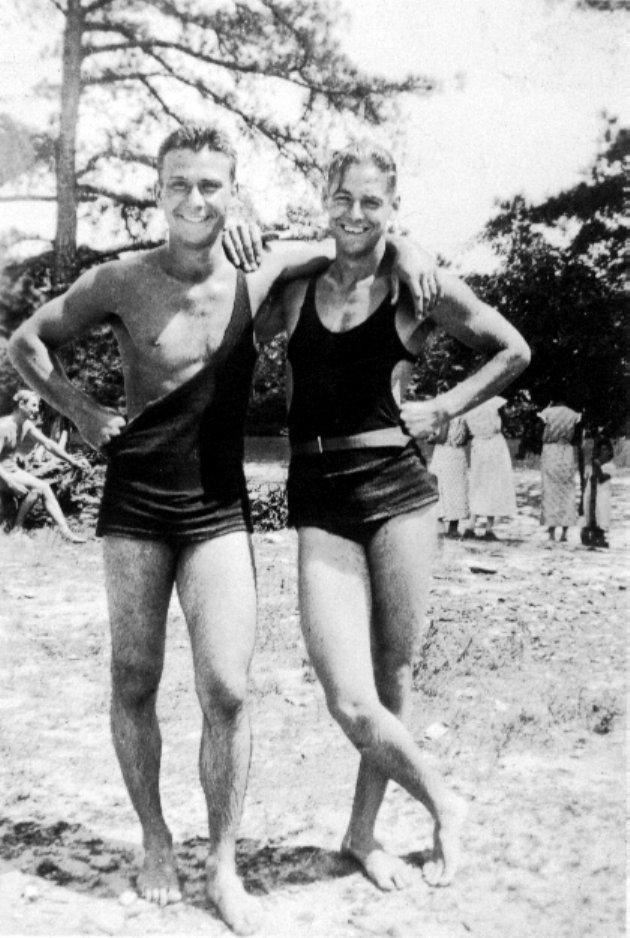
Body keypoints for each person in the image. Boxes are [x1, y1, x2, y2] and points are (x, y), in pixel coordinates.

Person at [8, 123, 440, 935]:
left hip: (217, 507)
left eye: (212, 184)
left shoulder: (264, 263)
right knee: (133, 677)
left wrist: (411, 248)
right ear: (157, 190)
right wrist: (82, 410)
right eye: (179, 183)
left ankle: (224, 863)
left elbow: (358, 236)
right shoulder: (118, 280)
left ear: (232, 192)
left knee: (230, 690)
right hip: (135, 505)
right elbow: (26, 341)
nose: (195, 199)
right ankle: (154, 840)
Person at [247, 141, 530, 890]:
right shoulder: (297, 285)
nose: (356, 214)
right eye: (343, 198)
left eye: (373, 203)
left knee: (391, 672)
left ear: (392, 206)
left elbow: (512, 351)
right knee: (348, 697)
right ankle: (446, 802)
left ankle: (363, 832)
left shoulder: (420, 289)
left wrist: (445, 405)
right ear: (324, 199)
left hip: (399, 490)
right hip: (318, 492)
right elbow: (240, 301)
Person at [0, 389, 87, 541]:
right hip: (3, 473)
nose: (37, 410)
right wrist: (10, 481)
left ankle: (66, 533)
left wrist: (72, 461)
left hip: (11, 470)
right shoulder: (4, 427)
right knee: (40, 487)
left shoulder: (26, 425)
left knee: (43, 487)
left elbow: (48, 444)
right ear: (21, 404)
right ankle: (17, 530)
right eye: (33, 405)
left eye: (38, 405)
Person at [463, 395, 517, 539]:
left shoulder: (470, 405)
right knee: (493, 483)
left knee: (478, 483)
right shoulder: (494, 402)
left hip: (479, 445)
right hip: (494, 445)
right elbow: (503, 424)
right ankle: (489, 527)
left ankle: (471, 523)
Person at [537, 399, 582, 542]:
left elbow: (541, 434)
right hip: (567, 451)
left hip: (550, 451)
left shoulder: (547, 413)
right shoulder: (574, 414)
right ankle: (564, 532)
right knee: (567, 492)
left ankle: (551, 531)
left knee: (550, 491)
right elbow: (576, 438)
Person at [429, 415, 472, 538]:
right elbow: (465, 438)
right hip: (458, 454)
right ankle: (453, 528)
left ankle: (440, 527)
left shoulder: (445, 415)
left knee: (441, 487)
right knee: (457, 491)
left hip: (444, 453)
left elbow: (442, 438)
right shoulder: (464, 415)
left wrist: (431, 439)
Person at [580, 434, 615, 548]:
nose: (604, 452)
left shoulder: (610, 466)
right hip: (590, 495)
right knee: (588, 517)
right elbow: (587, 481)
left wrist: (597, 466)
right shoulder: (591, 466)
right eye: (602, 450)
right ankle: (588, 535)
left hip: (602, 497)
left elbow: (601, 478)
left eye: (606, 450)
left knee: (601, 516)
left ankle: (599, 537)